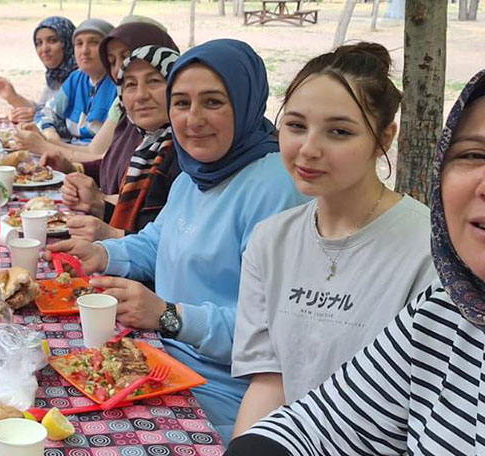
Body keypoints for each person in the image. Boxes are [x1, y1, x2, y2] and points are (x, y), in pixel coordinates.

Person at [229, 65, 485, 455]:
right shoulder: (447, 310)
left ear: (384, 138)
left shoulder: (425, 258)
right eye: (473, 154)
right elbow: (320, 424)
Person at [48, 39, 308, 440]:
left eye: (213, 102)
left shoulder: (276, 189)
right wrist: (100, 254)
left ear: (246, 102)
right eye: (182, 103)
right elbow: (156, 243)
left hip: (221, 391)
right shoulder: (193, 176)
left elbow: (275, 333)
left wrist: (170, 315)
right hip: (156, 361)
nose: (193, 119)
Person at [229, 43, 435, 437]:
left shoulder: (427, 250)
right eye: (295, 126)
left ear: (384, 139)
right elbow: (271, 382)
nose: (308, 149)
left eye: (339, 132)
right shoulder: (270, 241)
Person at [58, 43, 183, 242]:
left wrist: (111, 232)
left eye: (154, 81)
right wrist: (98, 207)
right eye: (131, 85)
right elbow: (141, 225)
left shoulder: (185, 154)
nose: (141, 95)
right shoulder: (146, 146)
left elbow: (173, 245)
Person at [35, 18, 117, 144]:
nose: (84, 51)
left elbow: (106, 146)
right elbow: (47, 112)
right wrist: (49, 131)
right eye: (79, 44)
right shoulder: (76, 79)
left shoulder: (118, 86)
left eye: (94, 43)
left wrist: (58, 148)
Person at [0, 16, 75, 124]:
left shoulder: (81, 79)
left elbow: (75, 126)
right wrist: (13, 97)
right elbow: (40, 109)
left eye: (52, 40)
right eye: (39, 43)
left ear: (68, 42)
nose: (44, 49)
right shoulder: (55, 76)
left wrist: (39, 116)